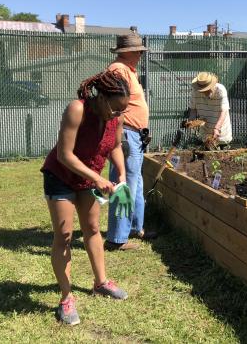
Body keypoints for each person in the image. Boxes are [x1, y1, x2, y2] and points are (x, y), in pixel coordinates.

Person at [41, 70, 131, 325]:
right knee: (65, 236)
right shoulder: (77, 109)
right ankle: (66, 298)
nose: (117, 114)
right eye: (114, 108)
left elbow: (114, 146)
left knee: (92, 228)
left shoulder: (116, 117)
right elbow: (64, 155)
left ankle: (100, 283)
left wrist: (121, 175)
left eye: (121, 110)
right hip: (61, 177)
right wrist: (98, 178)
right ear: (101, 97)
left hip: (88, 178)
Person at [105, 33, 156, 251]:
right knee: (123, 184)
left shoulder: (128, 71)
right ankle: (117, 238)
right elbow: (112, 105)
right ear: (126, 52)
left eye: (140, 51)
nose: (140, 55)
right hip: (125, 133)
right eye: (137, 51)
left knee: (136, 183)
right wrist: (120, 136)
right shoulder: (118, 70)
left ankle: (135, 228)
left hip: (135, 134)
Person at [184, 71, 232, 147]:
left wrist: (217, 128)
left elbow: (224, 111)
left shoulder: (221, 90)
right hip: (205, 133)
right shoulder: (195, 92)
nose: (205, 91)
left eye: (207, 89)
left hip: (221, 132)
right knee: (206, 156)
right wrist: (191, 121)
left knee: (222, 156)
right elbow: (193, 109)